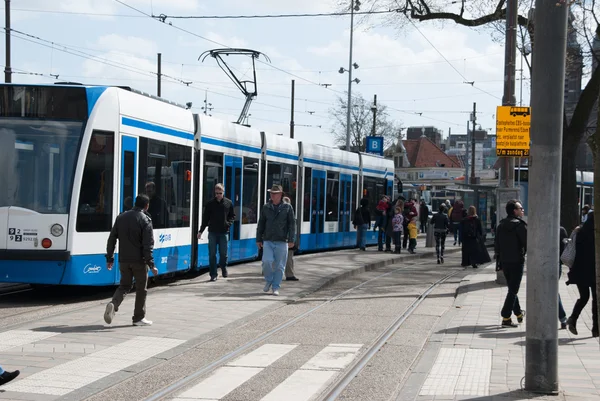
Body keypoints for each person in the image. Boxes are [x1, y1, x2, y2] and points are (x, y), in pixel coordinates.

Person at [105, 194, 158, 326]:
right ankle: (138, 318)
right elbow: (148, 245)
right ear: (146, 206)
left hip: (123, 260)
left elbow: (112, 239)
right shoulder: (145, 220)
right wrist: (151, 264)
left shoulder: (121, 217)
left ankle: (114, 303)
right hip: (139, 261)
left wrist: (110, 257)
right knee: (141, 288)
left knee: (124, 286)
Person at [256, 185, 296, 296]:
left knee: (280, 266)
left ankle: (275, 287)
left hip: (282, 240)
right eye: (271, 193)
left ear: (280, 194)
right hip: (268, 240)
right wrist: (259, 239)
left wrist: (292, 239)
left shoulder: (287, 208)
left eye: (275, 193)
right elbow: (261, 223)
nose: (272, 195)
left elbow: (292, 224)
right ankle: (269, 280)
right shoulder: (266, 207)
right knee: (266, 262)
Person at [495, 200, 527, 328]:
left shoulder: (501, 225)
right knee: (513, 289)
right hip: (517, 262)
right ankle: (506, 317)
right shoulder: (520, 226)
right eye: (520, 208)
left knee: (512, 289)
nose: (522, 210)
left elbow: (497, 245)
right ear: (515, 211)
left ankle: (518, 313)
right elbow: (527, 243)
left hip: (504, 261)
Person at [566, 211, 598, 337]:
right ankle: (596, 328)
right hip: (593, 271)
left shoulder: (579, 231)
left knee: (584, 297)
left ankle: (573, 318)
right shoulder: (596, 234)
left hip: (579, 271)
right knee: (596, 299)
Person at [197, 183, 235, 281]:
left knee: (223, 253)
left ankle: (223, 267)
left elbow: (232, 216)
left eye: (220, 193)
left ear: (223, 192)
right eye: (216, 193)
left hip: (224, 232)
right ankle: (213, 274)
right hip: (213, 232)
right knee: (212, 254)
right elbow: (205, 219)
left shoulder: (228, 203)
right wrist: (200, 231)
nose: (218, 195)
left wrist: (228, 224)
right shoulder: (210, 204)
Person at [283, 196, 299, 281]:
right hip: (286, 240)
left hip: (284, 239)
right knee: (289, 258)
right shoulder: (288, 213)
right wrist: (291, 240)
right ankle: (289, 275)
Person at [558, 226, 568, 329]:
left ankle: (562, 318)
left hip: (555, 264)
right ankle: (562, 318)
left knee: (552, 291)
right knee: (553, 291)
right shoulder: (561, 230)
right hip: (557, 264)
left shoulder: (560, 230)